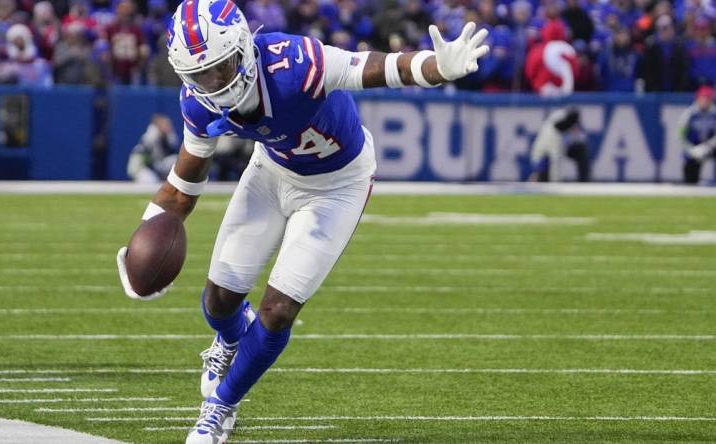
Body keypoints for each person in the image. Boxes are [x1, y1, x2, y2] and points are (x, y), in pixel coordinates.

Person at [114, 1, 490, 442]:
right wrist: (143, 236)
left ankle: (220, 407)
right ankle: (230, 338)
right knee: (219, 300)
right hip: (271, 173)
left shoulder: (293, 64)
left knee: (277, 311)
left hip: (338, 185)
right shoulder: (200, 105)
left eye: (222, 68)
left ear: (244, 48)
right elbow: (182, 188)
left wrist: (435, 68)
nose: (214, 83)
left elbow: (377, 67)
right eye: (201, 75)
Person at [678, 85, 716, 184]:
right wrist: (691, 150)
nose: (705, 101)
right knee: (690, 180)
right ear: (698, 98)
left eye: (708, 98)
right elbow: (681, 135)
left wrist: (708, 147)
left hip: (710, 146)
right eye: (703, 98)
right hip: (693, 147)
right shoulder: (689, 113)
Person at [529, 106, 590, 182]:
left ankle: (584, 182)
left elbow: (581, 138)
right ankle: (547, 181)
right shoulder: (550, 129)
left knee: (582, 150)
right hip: (544, 158)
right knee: (545, 170)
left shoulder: (571, 125)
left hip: (564, 147)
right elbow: (541, 157)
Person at [127, 114, 179, 183]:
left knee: (175, 160)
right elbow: (151, 159)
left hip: (154, 167)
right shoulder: (151, 137)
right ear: (158, 125)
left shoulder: (167, 137)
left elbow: (172, 151)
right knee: (151, 181)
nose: (168, 126)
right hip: (141, 167)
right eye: (165, 124)